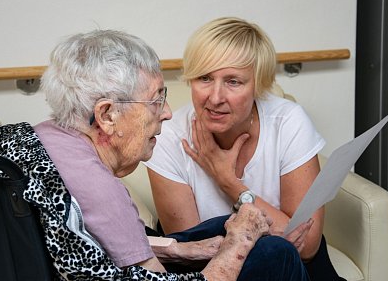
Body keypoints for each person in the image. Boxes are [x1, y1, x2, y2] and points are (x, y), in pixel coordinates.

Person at [0, 30, 309, 280]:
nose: (166, 113)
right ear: (107, 115)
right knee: (273, 251)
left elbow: (98, 244)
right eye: (155, 100)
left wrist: (179, 250)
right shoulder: (99, 190)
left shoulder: (45, 138)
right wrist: (240, 242)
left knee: (216, 228)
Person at [145, 17, 345, 280]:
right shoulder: (168, 135)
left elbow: (307, 248)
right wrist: (277, 231)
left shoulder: (288, 122)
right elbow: (192, 255)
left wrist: (229, 183)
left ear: (257, 86)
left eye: (233, 82)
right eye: (204, 78)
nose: (215, 98)